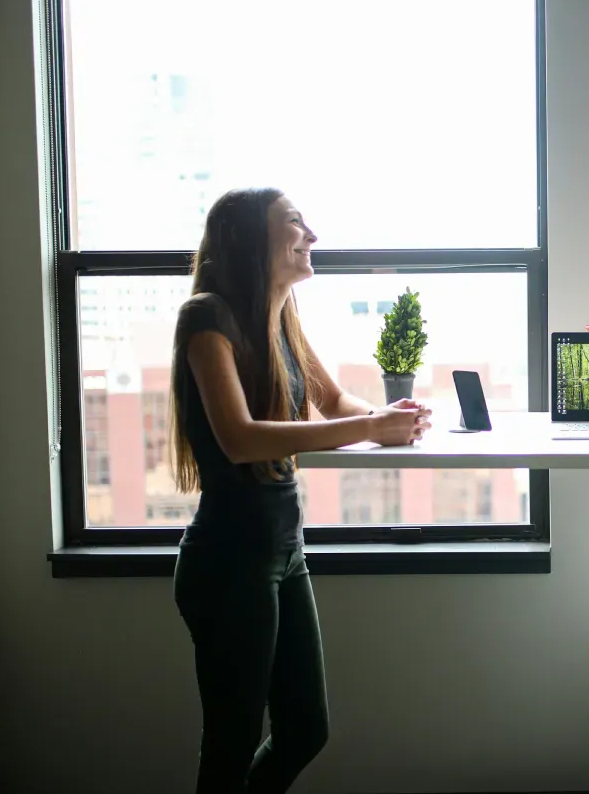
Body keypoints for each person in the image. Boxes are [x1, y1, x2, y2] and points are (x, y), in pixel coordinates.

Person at [168, 187, 431, 793]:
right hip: (229, 562)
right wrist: (370, 426)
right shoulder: (207, 317)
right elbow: (238, 437)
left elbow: (335, 401)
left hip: (284, 554)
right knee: (231, 745)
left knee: (305, 730)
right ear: (251, 241)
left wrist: (398, 420)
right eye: (294, 223)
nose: (311, 234)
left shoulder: (282, 315)